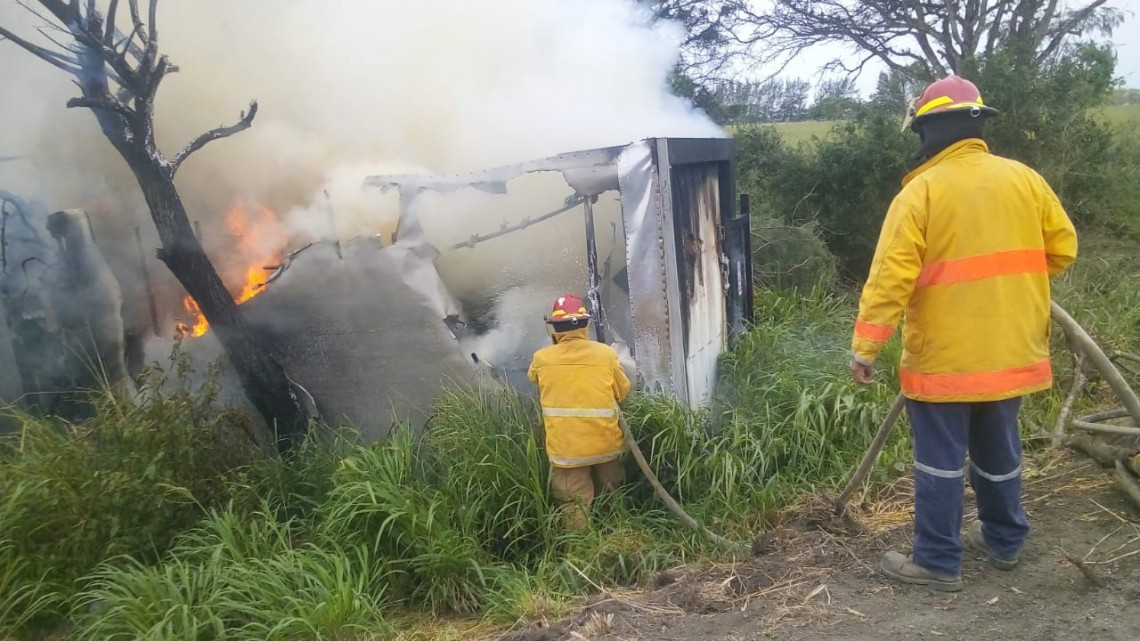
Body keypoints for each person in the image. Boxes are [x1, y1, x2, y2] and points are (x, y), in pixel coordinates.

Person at [849, 75, 1078, 591]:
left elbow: (889, 280)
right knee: (1000, 453)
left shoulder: (920, 195)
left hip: (945, 362)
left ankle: (936, 559)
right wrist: (1014, 292)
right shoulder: (1025, 179)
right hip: (1012, 352)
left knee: (940, 464)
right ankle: (1004, 541)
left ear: (929, 130)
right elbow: (1062, 250)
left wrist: (866, 349)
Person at [528, 294, 632, 530]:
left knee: (574, 507)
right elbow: (622, 391)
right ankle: (621, 539)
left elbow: (534, 378)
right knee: (612, 497)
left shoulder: (541, 358)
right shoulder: (605, 354)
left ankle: (582, 552)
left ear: (553, 327)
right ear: (585, 324)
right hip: (606, 446)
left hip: (567, 453)